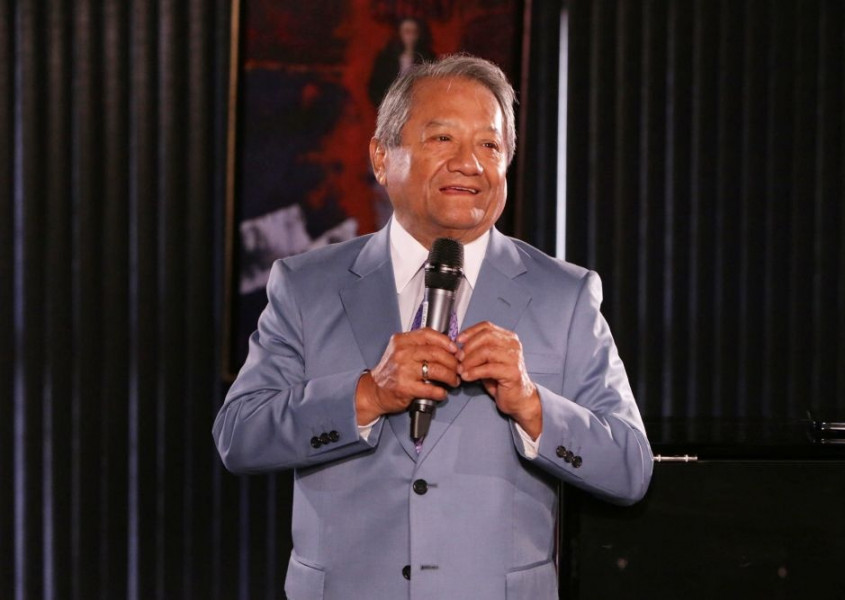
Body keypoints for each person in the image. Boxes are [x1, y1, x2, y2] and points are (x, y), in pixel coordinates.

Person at [213, 54, 653, 600]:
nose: (469, 163)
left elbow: (630, 468)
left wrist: (532, 404)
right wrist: (367, 395)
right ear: (381, 157)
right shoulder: (306, 286)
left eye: (490, 145)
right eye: (443, 139)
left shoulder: (565, 295)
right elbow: (240, 437)